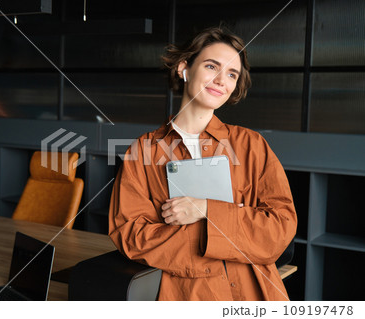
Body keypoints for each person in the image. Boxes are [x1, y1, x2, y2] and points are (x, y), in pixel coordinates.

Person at [108, 27, 297, 301]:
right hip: (189, 296)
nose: (222, 80)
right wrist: (238, 222)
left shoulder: (251, 145)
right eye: (212, 66)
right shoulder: (143, 151)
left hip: (255, 295)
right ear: (184, 68)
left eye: (232, 74)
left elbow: (279, 229)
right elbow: (132, 235)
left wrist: (205, 210)